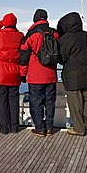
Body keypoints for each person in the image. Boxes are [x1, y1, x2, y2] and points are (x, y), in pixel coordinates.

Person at [57, 12, 87, 140]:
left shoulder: (66, 39)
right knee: (85, 100)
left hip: (73, 76)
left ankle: (79, 128)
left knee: (74, 103)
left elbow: (61, 57)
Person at [19, 9, 58, 137]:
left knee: (36, 103)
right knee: (50, 102)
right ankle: (50, 127)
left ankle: (40, 128)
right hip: (51, 75)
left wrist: (22, 74)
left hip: (36, 76)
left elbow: (23, 57)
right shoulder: (55, 33)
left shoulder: (31, 34)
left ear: (34, 19)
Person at [0, 13, 24, 134]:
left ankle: (3, 127)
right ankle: (14, 126)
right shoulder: (20, 35)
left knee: (1, 100)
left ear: (4, 23)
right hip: (14, 72)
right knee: (13, 100)